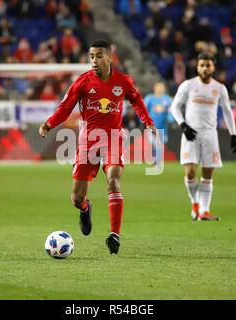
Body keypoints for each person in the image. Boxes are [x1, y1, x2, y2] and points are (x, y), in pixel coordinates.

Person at [38, 40, 157, 254]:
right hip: (88, 141)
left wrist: (147, 122)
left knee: (113, 181)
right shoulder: (82, 82)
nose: (94, 60)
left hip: (113, 138)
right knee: (77, 198)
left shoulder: (123, 81)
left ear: (110, 58)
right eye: (91, 56)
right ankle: (85, 208)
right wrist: (49, 122)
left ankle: (115, 235)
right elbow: (65, 108)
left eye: (99, 56)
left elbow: (137, 101)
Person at [170, 52, 236, 221]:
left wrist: (233, 134)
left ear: (213, 67)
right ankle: (195, 203)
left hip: (210, 134)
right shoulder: (188, 85)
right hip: (190, 133)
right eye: (202, 65)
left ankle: (205, 211)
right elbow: (175, 107)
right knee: (191, 172)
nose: (205, 68)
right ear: (197, 67)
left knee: (208, 173)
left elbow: (228, 112)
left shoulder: (220, 88)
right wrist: (183, 125)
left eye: (208, 65)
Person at [143, 82, 174, 164]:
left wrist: (171, 119)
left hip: (163, 126)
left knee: (159, 143)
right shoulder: (149, 98)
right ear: (155, 88)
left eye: (162, 87)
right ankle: (157, 159)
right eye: (158, 87)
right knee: (154, 143)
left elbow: (171, 111)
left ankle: (156, 159)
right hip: (151, 125)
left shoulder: (167, 99)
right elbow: (144, 109)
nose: (160, 89)